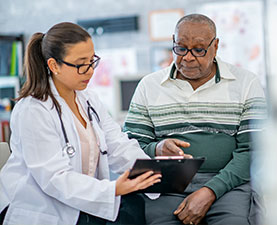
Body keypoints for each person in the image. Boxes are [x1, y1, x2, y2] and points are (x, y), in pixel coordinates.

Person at [0, 22, 161, 225]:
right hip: (39, 209)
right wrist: (112, 190)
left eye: (92, 61)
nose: (90, 71)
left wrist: (155, 172)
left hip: (79, 203)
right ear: (54, 65)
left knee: (134, 205)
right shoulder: (33, 110)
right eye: (80, 64)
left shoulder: (89, 100)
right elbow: (54, 178)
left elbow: (118, 145)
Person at [123, 14, 267, 225]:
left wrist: (210, 190)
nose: (188, 57)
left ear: (215, 46)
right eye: (180, 48)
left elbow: (252, 151)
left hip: (228, 183)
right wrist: (157, 148)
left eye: (199, 50)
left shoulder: (245, 83)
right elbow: (128, 146)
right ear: (173, 42)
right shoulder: (149, 86)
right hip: (168, 184)